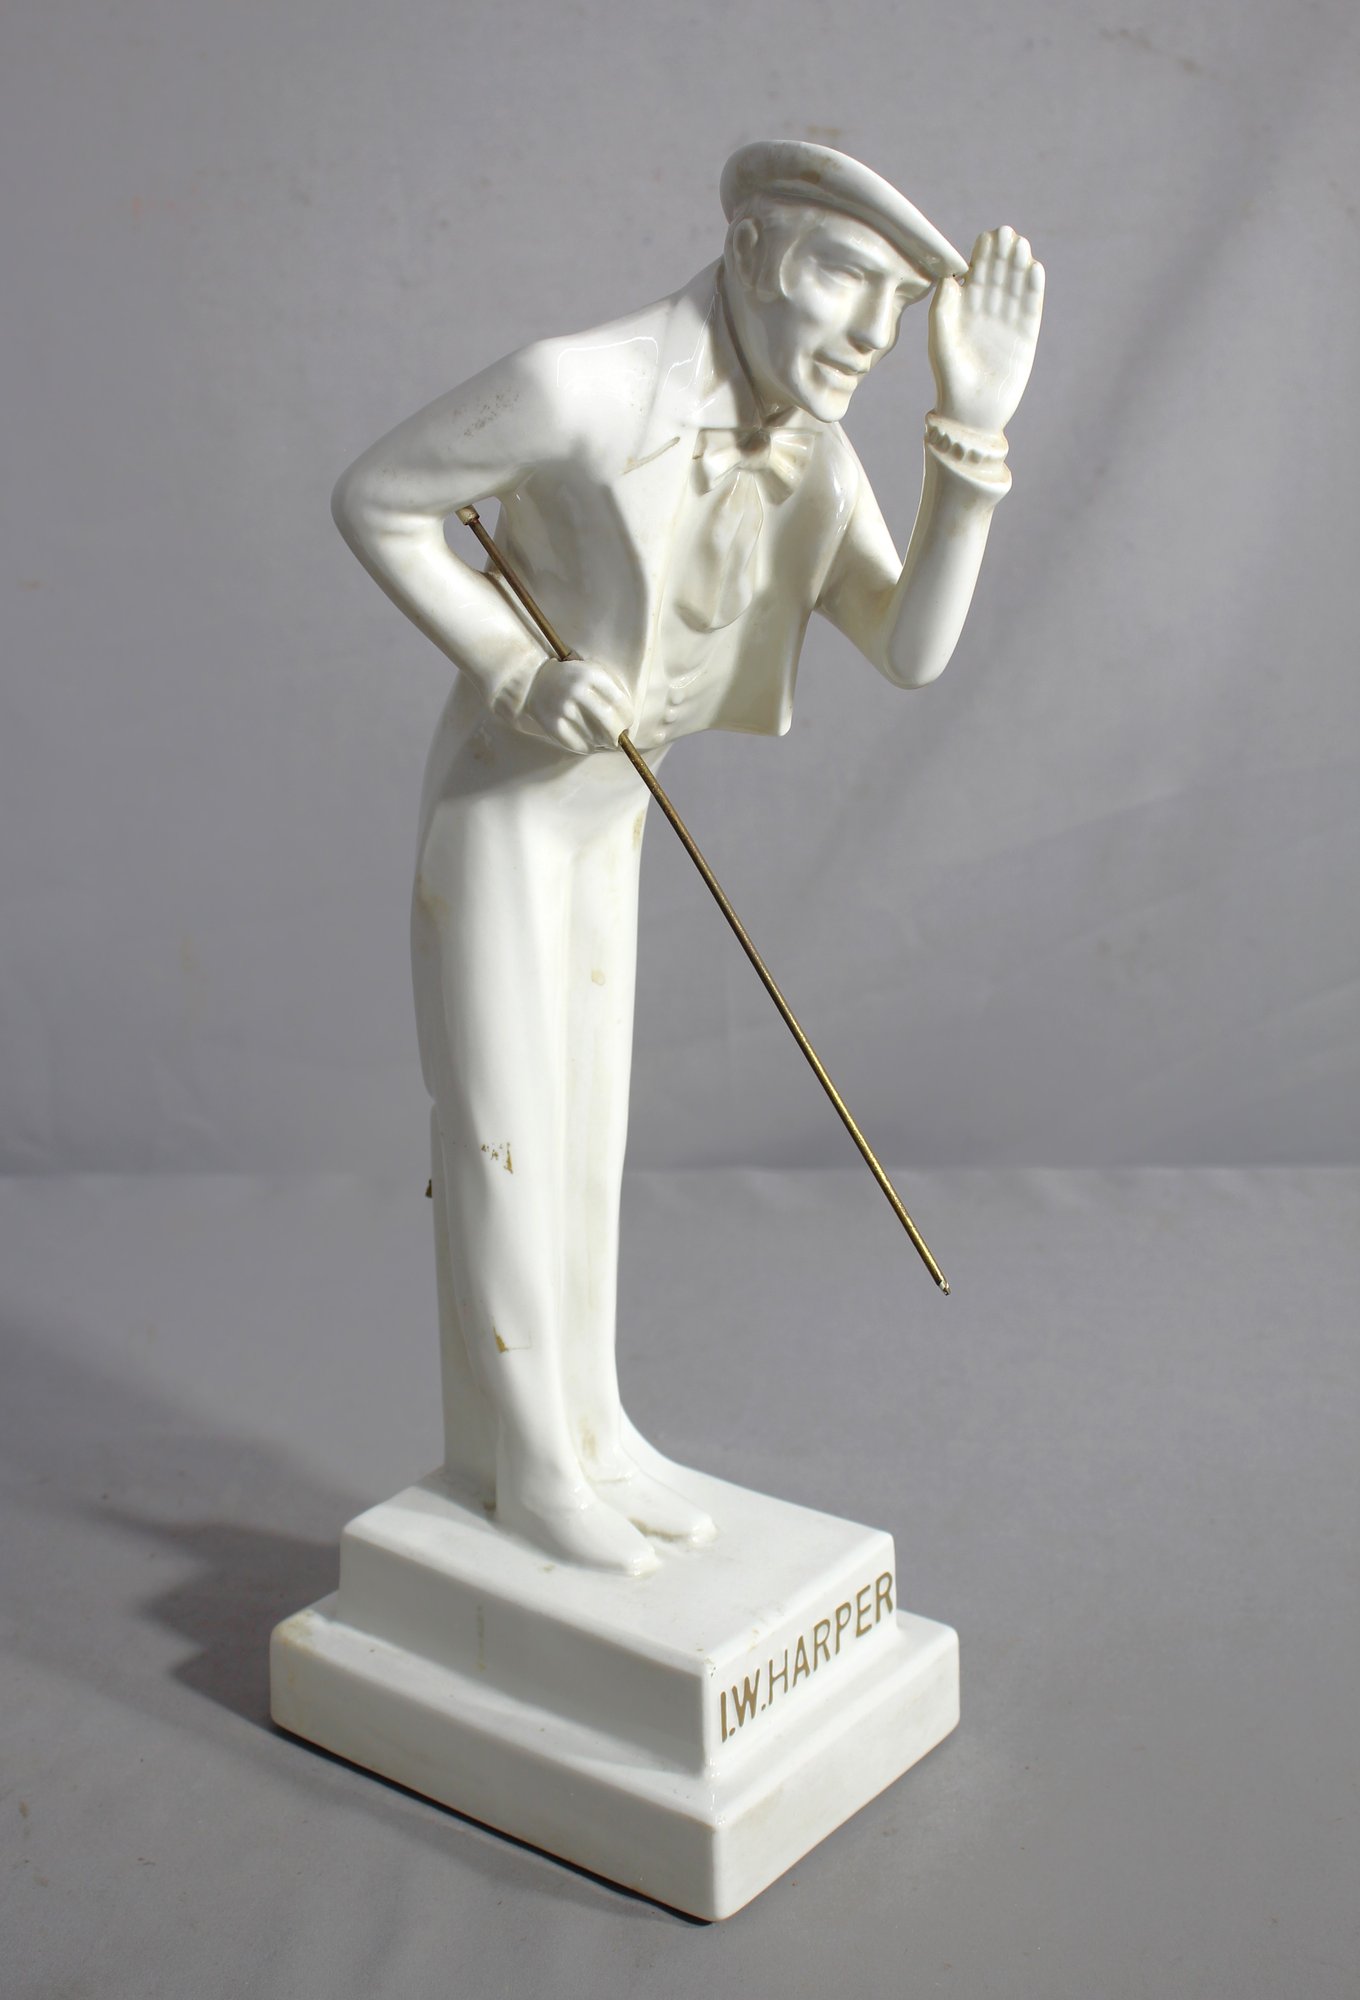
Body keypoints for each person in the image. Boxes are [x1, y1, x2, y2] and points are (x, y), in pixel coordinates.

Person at [332, 141, 1044, 1574]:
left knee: (588, 1141)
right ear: (752, 251)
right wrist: (512, 666)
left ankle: (591, 1430)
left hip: (613, 823)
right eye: (845, 276)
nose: (871, 332)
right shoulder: (574, 388)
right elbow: (379, 500)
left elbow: (909, 649)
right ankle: (531, 1468)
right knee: (505, 1136)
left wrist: (967, 443)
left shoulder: (816, 453)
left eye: (899, 307)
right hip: (505, 811)